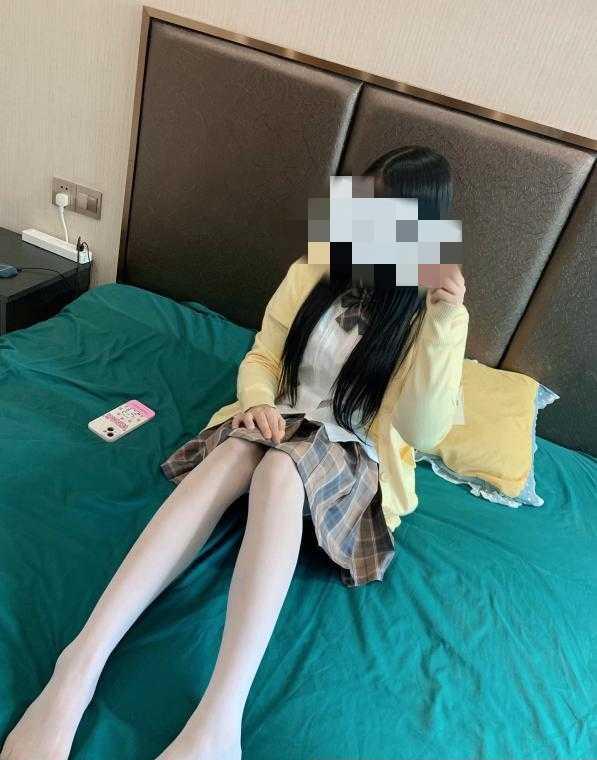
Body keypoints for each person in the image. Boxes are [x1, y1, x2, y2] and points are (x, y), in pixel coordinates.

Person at [0, 145, 469, 760]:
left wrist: (445, 322)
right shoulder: (318, 265)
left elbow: (423, 430)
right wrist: (257, 402)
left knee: (280, 470)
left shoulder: (429, 314)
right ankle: (79, 664)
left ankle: (221, 716)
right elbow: (264, 357)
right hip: (278, 419)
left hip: (352, 453)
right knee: (234, 454)